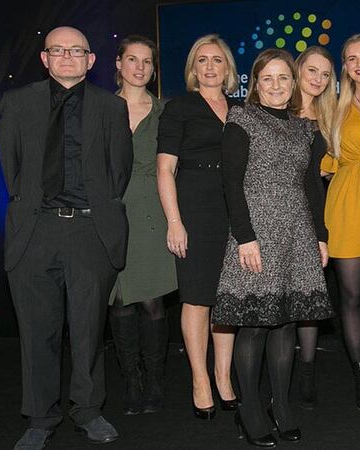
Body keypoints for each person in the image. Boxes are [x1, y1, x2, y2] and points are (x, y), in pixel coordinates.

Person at [0, 26, 132, 448]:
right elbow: (12, 168)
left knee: (89, 328)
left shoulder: (111, 107)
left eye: (77, 50)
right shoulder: (17, 103)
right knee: (38, 331)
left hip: (90, 230)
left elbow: (119, 171)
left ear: (91, 60)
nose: (67, 57)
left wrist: (96, 213)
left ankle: (88, 411)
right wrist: (35, 209)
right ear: (45, 58)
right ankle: (40, 418)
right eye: (58, 50)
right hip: (35, 229)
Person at [213, 48, 334, 447]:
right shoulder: (241, 119)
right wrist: (245, 237)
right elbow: (231, 183)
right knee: (253, 325)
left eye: (284, 78)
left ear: (294, 82)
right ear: (255, 83)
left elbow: (313, 187)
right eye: (268, 78)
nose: (277, 85)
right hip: (257, 234)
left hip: (297, 232)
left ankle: (280, 406)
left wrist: (321, 235)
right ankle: (249, 411)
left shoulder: (306, 128)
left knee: (285, 323)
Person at [157, 34, 239, 420]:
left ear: (227, 69)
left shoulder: (242, 110)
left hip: (234, 208)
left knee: (226, 298)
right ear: (193, 68)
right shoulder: (179, 108)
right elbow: (164, 169)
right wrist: (175, 221)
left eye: (217, 60)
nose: (209, 67)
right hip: (193, 206)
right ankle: (200, 380)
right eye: (202, 60)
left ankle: (224, 378)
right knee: (196, 296)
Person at [108, 34, 177, 416]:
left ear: (153, 68)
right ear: (118, 64)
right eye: (132, 59)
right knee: (118, 302)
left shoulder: (166, 111)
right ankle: (130, 380)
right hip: (111, 214)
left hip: (154, 211)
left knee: (152, 302)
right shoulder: (99, 109)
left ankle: (155, 380)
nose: (139, 67)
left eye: (147, 61)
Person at [320, 34, 360, 414]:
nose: (359, 63)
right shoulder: (333, 108)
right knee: (351, 296)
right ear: (344, 67)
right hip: (347, 203)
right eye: (350, 58)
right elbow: (325, 165)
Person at [290, 45, 337, 409]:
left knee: (308, 296)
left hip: (313, 208)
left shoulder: (328, 115)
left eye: (325, 74)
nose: (318, 79)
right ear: (298, 69)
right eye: (312, 70)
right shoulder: (277, 107)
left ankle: (306, 372)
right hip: (276, 209)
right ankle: (279, 371)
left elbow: (329, 165)